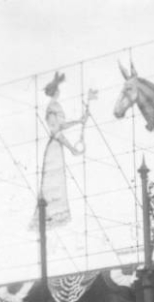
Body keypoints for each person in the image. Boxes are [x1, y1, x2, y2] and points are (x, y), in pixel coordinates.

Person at [39, 71, 87, 226]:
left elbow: (63, 125)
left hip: (57, 146)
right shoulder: (51, 108)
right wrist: (72, 148)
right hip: (54, 146)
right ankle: (49, 213)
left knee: (58, 179)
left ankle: (56, 213)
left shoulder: (55, 106)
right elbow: (56, 131)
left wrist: (79, 122)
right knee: (53, 180)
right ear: (55, 91)